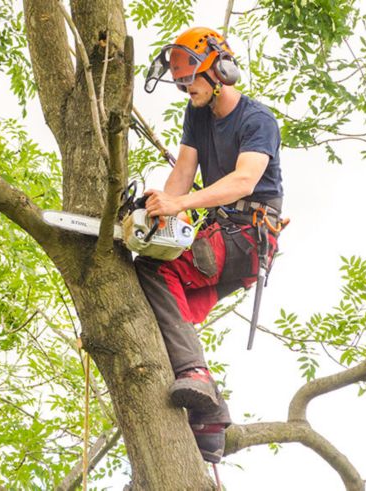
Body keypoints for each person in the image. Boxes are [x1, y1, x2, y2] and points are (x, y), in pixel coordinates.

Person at [136, 26, 284, 464]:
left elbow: (244, 179)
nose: (186, 89)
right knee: (165, 310)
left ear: (220, 70)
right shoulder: (195, 115)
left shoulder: (258, 119)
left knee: (154, 271)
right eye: (180, 82)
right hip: (218, 237)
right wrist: (160, 218)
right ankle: (211, 425)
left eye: (191, 80)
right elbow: (181, 175)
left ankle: (196, 373)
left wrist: (179, 203)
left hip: (246, 236)